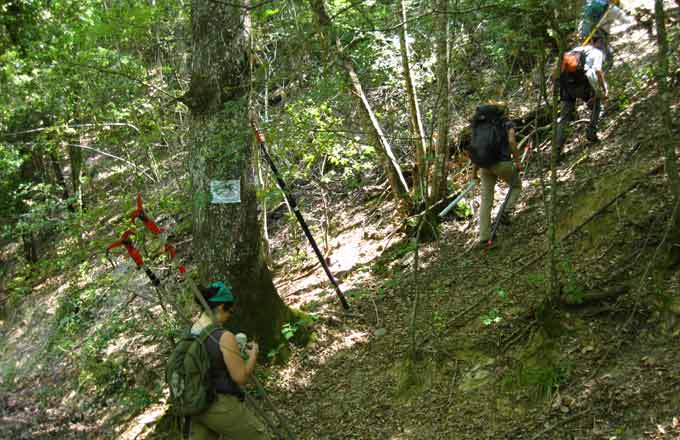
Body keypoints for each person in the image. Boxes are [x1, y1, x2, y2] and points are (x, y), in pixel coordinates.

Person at [188, 281, 268, 440]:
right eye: (229, 311)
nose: (229, 316)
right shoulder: (223, 336)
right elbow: (240, 377)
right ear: (220, 307)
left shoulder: (193, 331)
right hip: (218, 404)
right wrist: (253, 355)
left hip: (195, 405)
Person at [468, 102, 522, 248]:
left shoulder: (480, 127)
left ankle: (484, 237)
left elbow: (478, 150)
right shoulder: (507, 123)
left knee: (486, 201)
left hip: (484, 166)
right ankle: (505, 211)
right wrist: (517, 162)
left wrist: (474, 173)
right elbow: (511, 141)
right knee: (516, 186)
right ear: (505, 112)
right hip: (502, 163)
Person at [555, 35, 608, 159]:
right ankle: (591, 132)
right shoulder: (596, 52)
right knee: (597, 103)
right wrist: (604, 89)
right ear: (596, 42)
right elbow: (597, 71)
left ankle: (556, 151)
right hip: (582, 85)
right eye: (601, 42)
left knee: (564, 118)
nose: (602, 45)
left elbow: (555, 73)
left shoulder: (573, 51)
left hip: (566, 87)